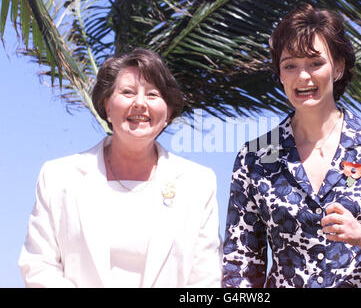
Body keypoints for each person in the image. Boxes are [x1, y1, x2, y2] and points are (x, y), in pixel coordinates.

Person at [222, 3, 361, 288]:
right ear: (280, 74)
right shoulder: (255, 158)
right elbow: (240, 265)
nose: (303, 76)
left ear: (338, 67)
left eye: (315, 63)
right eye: (290, 65)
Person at [19, 48, 222, 287]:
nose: (139, 103)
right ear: (107, 106)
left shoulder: (197, 183)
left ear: (167, 113)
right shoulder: (58, 177)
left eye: (153, 95)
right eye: (127, 92)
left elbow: (206, 278)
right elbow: (39, 266)